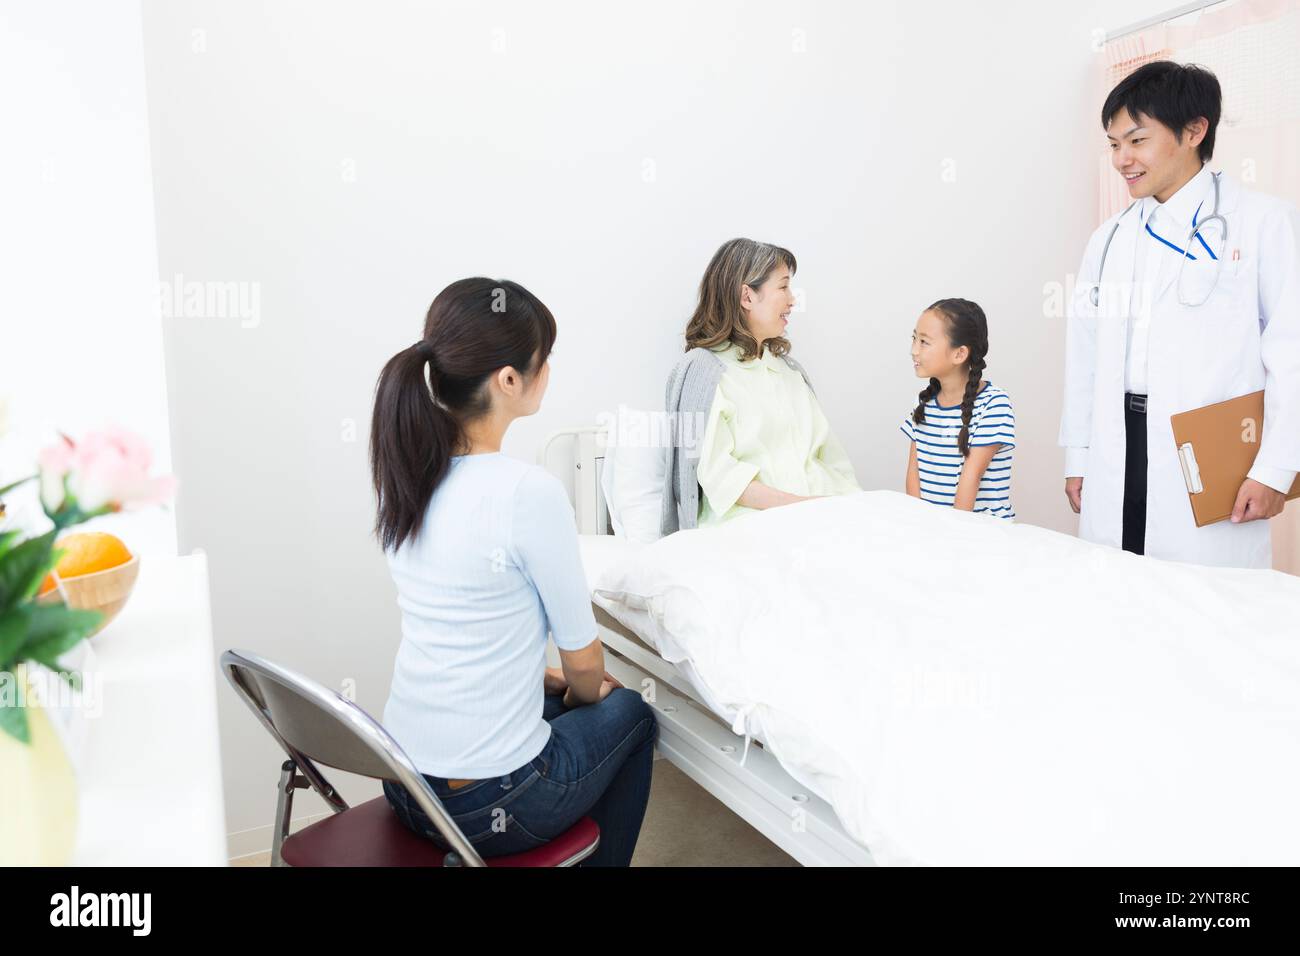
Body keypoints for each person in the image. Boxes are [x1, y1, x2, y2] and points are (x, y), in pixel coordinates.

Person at [370, 277, 657, 865]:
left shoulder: (409, 477)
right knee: (630, 713)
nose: (547, 369)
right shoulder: (529, 493)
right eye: (543, 358)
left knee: (568, 704)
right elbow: (586, 662)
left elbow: (466, 635)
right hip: (485, 808)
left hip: (405, 784)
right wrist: (580, 690)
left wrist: (549, 682)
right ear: (508, 380)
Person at [1060, 61, 1300, 568]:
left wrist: (1276, 468)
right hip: (1116, 444)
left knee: (1205, 601)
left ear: (1194, 131)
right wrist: (1078, 455)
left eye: (1137, 140)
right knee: (1115, 587)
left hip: (1209, 449)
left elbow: (1291, 352)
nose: (1122, 159)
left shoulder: (1263, 222)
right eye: (1113, 144)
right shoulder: (1109, 238)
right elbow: (1084, 355)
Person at [661, 237, 860, 533]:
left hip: (826, 515)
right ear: (747, 297)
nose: (792, 300)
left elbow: (834, 462)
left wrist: (853, 509)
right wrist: (805, 508)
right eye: (783, 287)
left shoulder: (790, 372)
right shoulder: (704, 372)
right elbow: (719, 476)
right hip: (754, 526)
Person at [902, 298, 1016, 519]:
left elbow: (970, 480)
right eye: (914, 338)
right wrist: (917, 526)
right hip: (932, 531)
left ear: (959, 354)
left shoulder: (994, 404)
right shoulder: (923, 403)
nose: (914, 350)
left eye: (924, 342)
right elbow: (913, 475)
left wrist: (951, 536)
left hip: (976, 532)